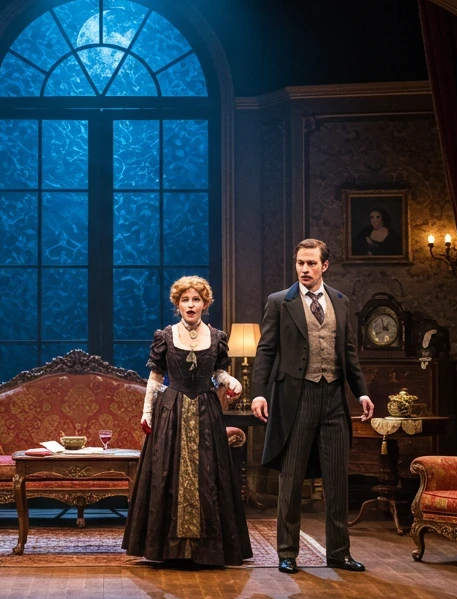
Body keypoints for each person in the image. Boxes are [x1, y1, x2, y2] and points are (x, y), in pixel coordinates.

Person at [250, 238, 375, 574]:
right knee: (291, 479)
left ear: (325, 265)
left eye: (311, 263)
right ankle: (287, 552)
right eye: (300, 263)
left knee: (336, 480)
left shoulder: (340, 302)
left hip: (334, 398)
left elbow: (349, 353)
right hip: (297, 397)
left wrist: (361, 393)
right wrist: (259, 393)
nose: (304, 269)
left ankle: (339, 553)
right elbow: (266, 350)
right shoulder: (280, 302)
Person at [123, 276, 253, 566]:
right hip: (172, 411)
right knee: (167, 474)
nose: (191, 305)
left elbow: (218, 373)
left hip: (207, 411)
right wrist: (146, 412)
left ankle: (207, 549)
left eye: (196, 300)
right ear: (177, 304)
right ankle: (169, 549)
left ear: (205, 304)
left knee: (209, 474)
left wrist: (230, 380)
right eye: (185, 300)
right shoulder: (166, 336)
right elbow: (156, 378)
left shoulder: (217, 337)